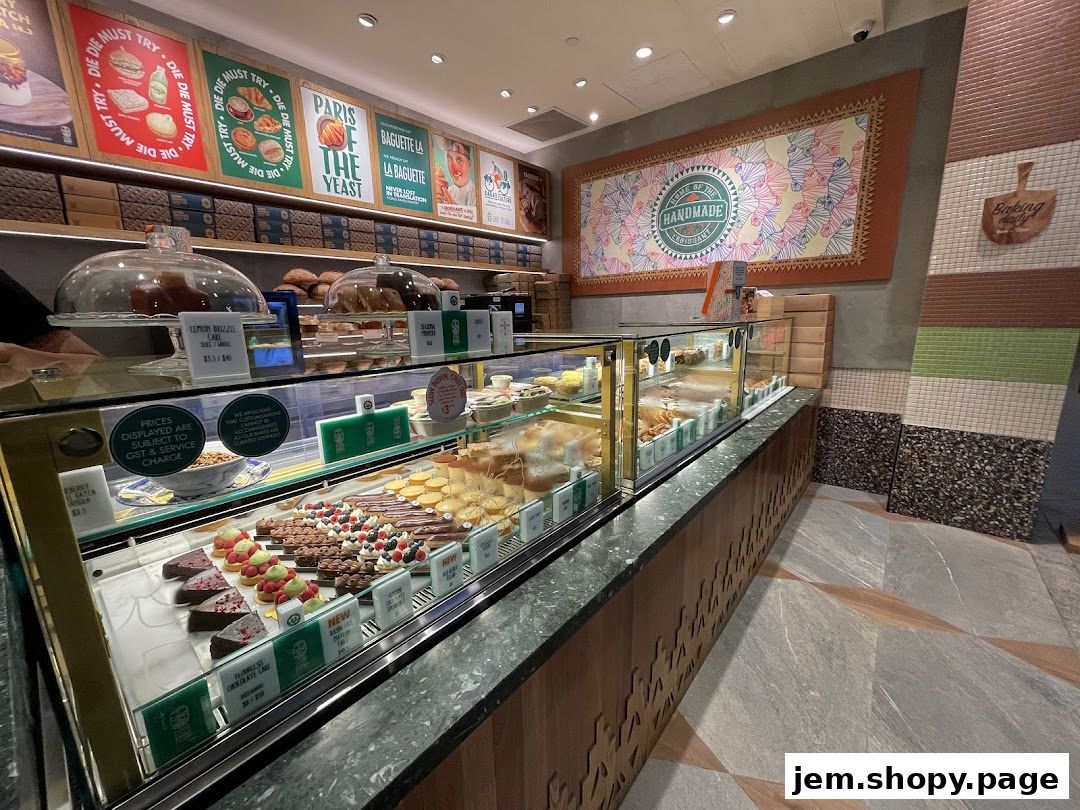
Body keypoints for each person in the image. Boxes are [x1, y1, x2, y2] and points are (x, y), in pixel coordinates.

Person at [434, 137, 476, 208]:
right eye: (449, 158)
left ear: (469, 163)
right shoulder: (448, 192)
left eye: (459, 159)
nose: (454, 167)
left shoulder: (477, 196)